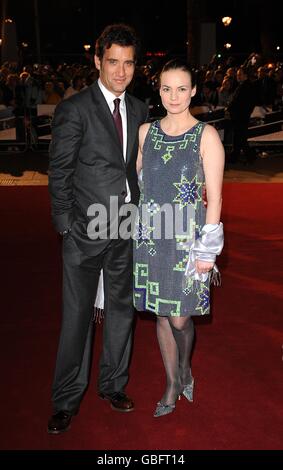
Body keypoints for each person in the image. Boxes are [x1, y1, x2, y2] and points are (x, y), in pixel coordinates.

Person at [48, 23, 148, 434]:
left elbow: (133, 169)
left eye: (128, 63)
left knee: (122, 311)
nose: (121, 72)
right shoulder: (74, 109)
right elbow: (60, 171)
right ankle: (67, 398)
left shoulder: (140, 109)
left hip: (125, 224)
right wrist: (66, 226)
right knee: (77, 317)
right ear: (97, 62)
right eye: (113, 62)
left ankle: (113, 384)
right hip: (84, 230)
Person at [133, 59, 224, 417]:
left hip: (189, 241)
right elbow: (136, 185)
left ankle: (185, 366)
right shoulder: (145, 133)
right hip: (152, 237)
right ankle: (172, 382)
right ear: (158, 90)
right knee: (161, 314)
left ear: (194, 91)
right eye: (167, 88)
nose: (174, 96)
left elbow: (214, 197)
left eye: (182, 88)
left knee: (181, 319)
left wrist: (208, 250)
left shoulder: (207, 135)